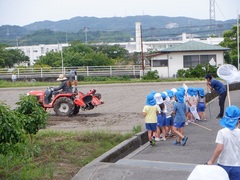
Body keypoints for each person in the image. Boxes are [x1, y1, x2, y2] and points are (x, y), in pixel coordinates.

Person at [206, 105, 240, 180]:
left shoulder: (222, 132)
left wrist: (211, 161)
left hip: (223, 163)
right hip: (238, 165)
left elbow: (219, 148)